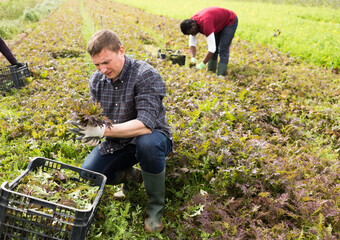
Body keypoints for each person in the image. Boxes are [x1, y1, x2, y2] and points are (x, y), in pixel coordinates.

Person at [70, 29, 172, 233]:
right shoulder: (96, 81)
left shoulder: (145, 75)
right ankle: (130, 176)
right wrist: (86, 129)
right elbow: (96, 118)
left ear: (121, 51)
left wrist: (101, 131)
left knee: (147, 144)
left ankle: (155, 207)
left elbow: (145, 124)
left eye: (106, 62)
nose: (102, 69)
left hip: (153, 136)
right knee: (88, 175)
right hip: (118, 141)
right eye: (97, 64)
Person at [180, 7, 238, 76]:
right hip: (217, 23)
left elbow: (211, 48)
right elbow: (192, 42)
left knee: (223, 49)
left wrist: (202, 64)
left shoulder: (206, 24)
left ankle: (221, 75)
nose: (191, 35)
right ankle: (211, 73)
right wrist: (193, 57)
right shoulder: (191, 22)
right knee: (215, 48)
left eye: (191, 33)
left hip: (229, 20)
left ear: (193, 26)